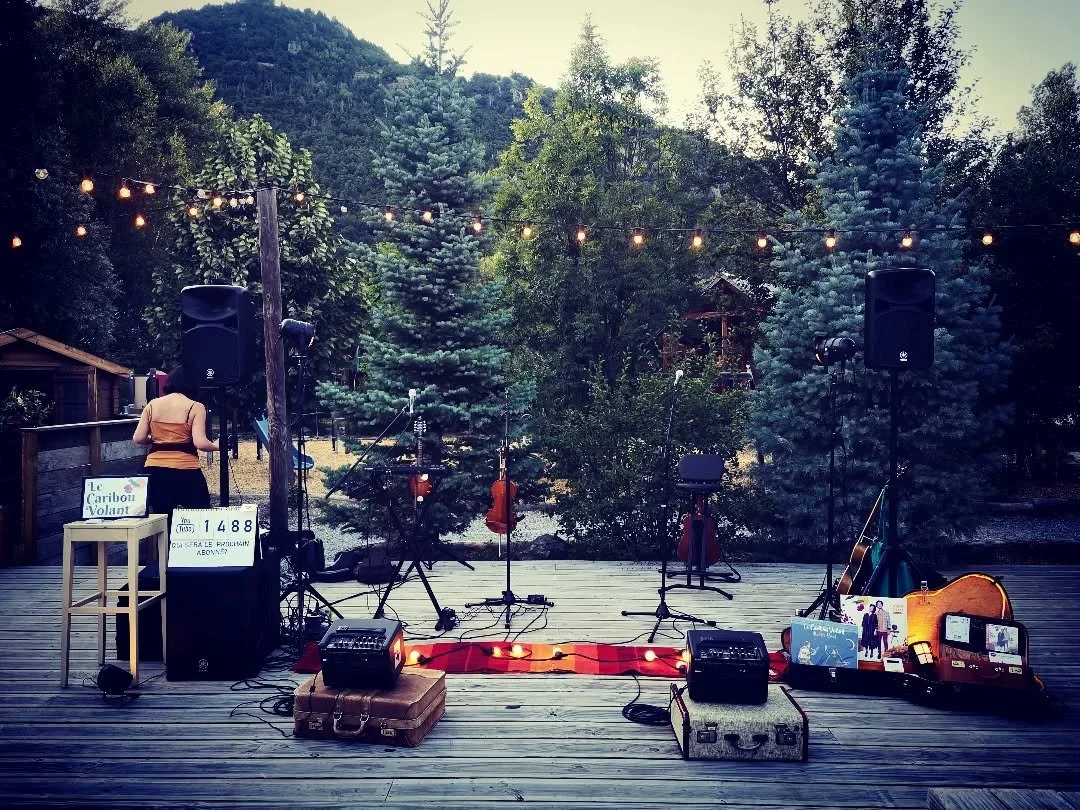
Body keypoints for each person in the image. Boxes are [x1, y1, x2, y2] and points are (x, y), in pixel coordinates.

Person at [132, 366, 218, 529]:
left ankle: (166, 546)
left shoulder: (152, 405)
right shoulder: (195, 407)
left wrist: (157, 439)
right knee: (201, 515)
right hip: (186, 470)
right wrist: (216, 446)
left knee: (163, 520)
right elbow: (200, 442)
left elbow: (138, 438)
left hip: (155, 470)